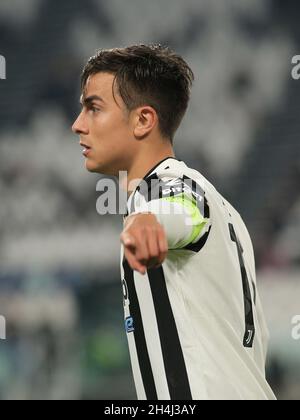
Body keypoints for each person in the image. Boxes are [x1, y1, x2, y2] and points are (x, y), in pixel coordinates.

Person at [72, 44, 276, 400]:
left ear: (143, 120)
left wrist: (151, 222)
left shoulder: (167, 189)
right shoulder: (227, 212)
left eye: (93, 108)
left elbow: (182, 208)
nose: (78, 125)